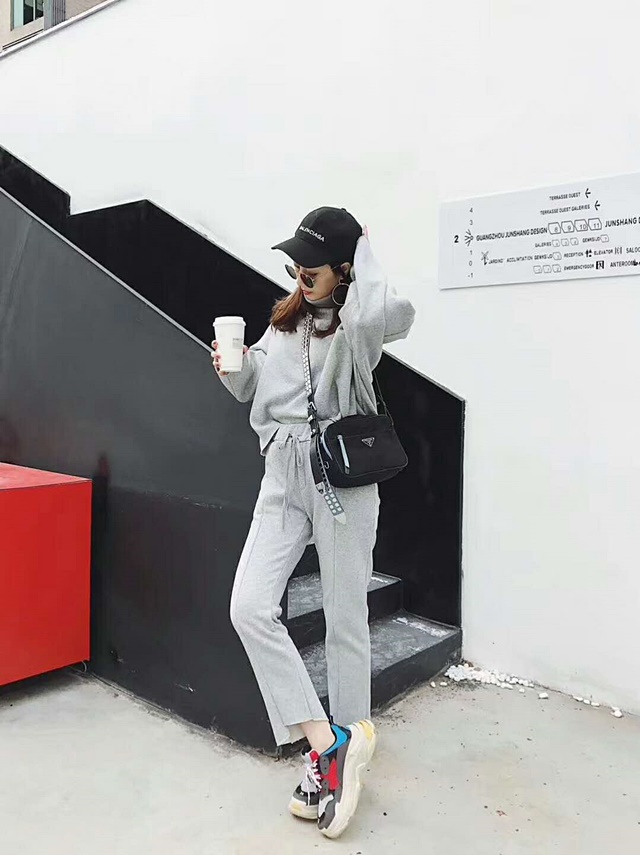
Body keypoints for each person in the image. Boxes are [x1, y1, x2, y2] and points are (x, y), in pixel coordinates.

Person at [212, 206, 415, 839]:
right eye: (296, 261)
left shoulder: (359, 328)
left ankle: (345, 748)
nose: (300, 271)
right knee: (249, 607)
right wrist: (234, 367)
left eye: (314, 263)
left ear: (346, 269)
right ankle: (328, 744)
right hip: (282, 474)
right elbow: (252, 389)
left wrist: (366, 254)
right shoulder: (283, 321)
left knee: (344, 618)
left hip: (341, 480)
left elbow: (385, 312)